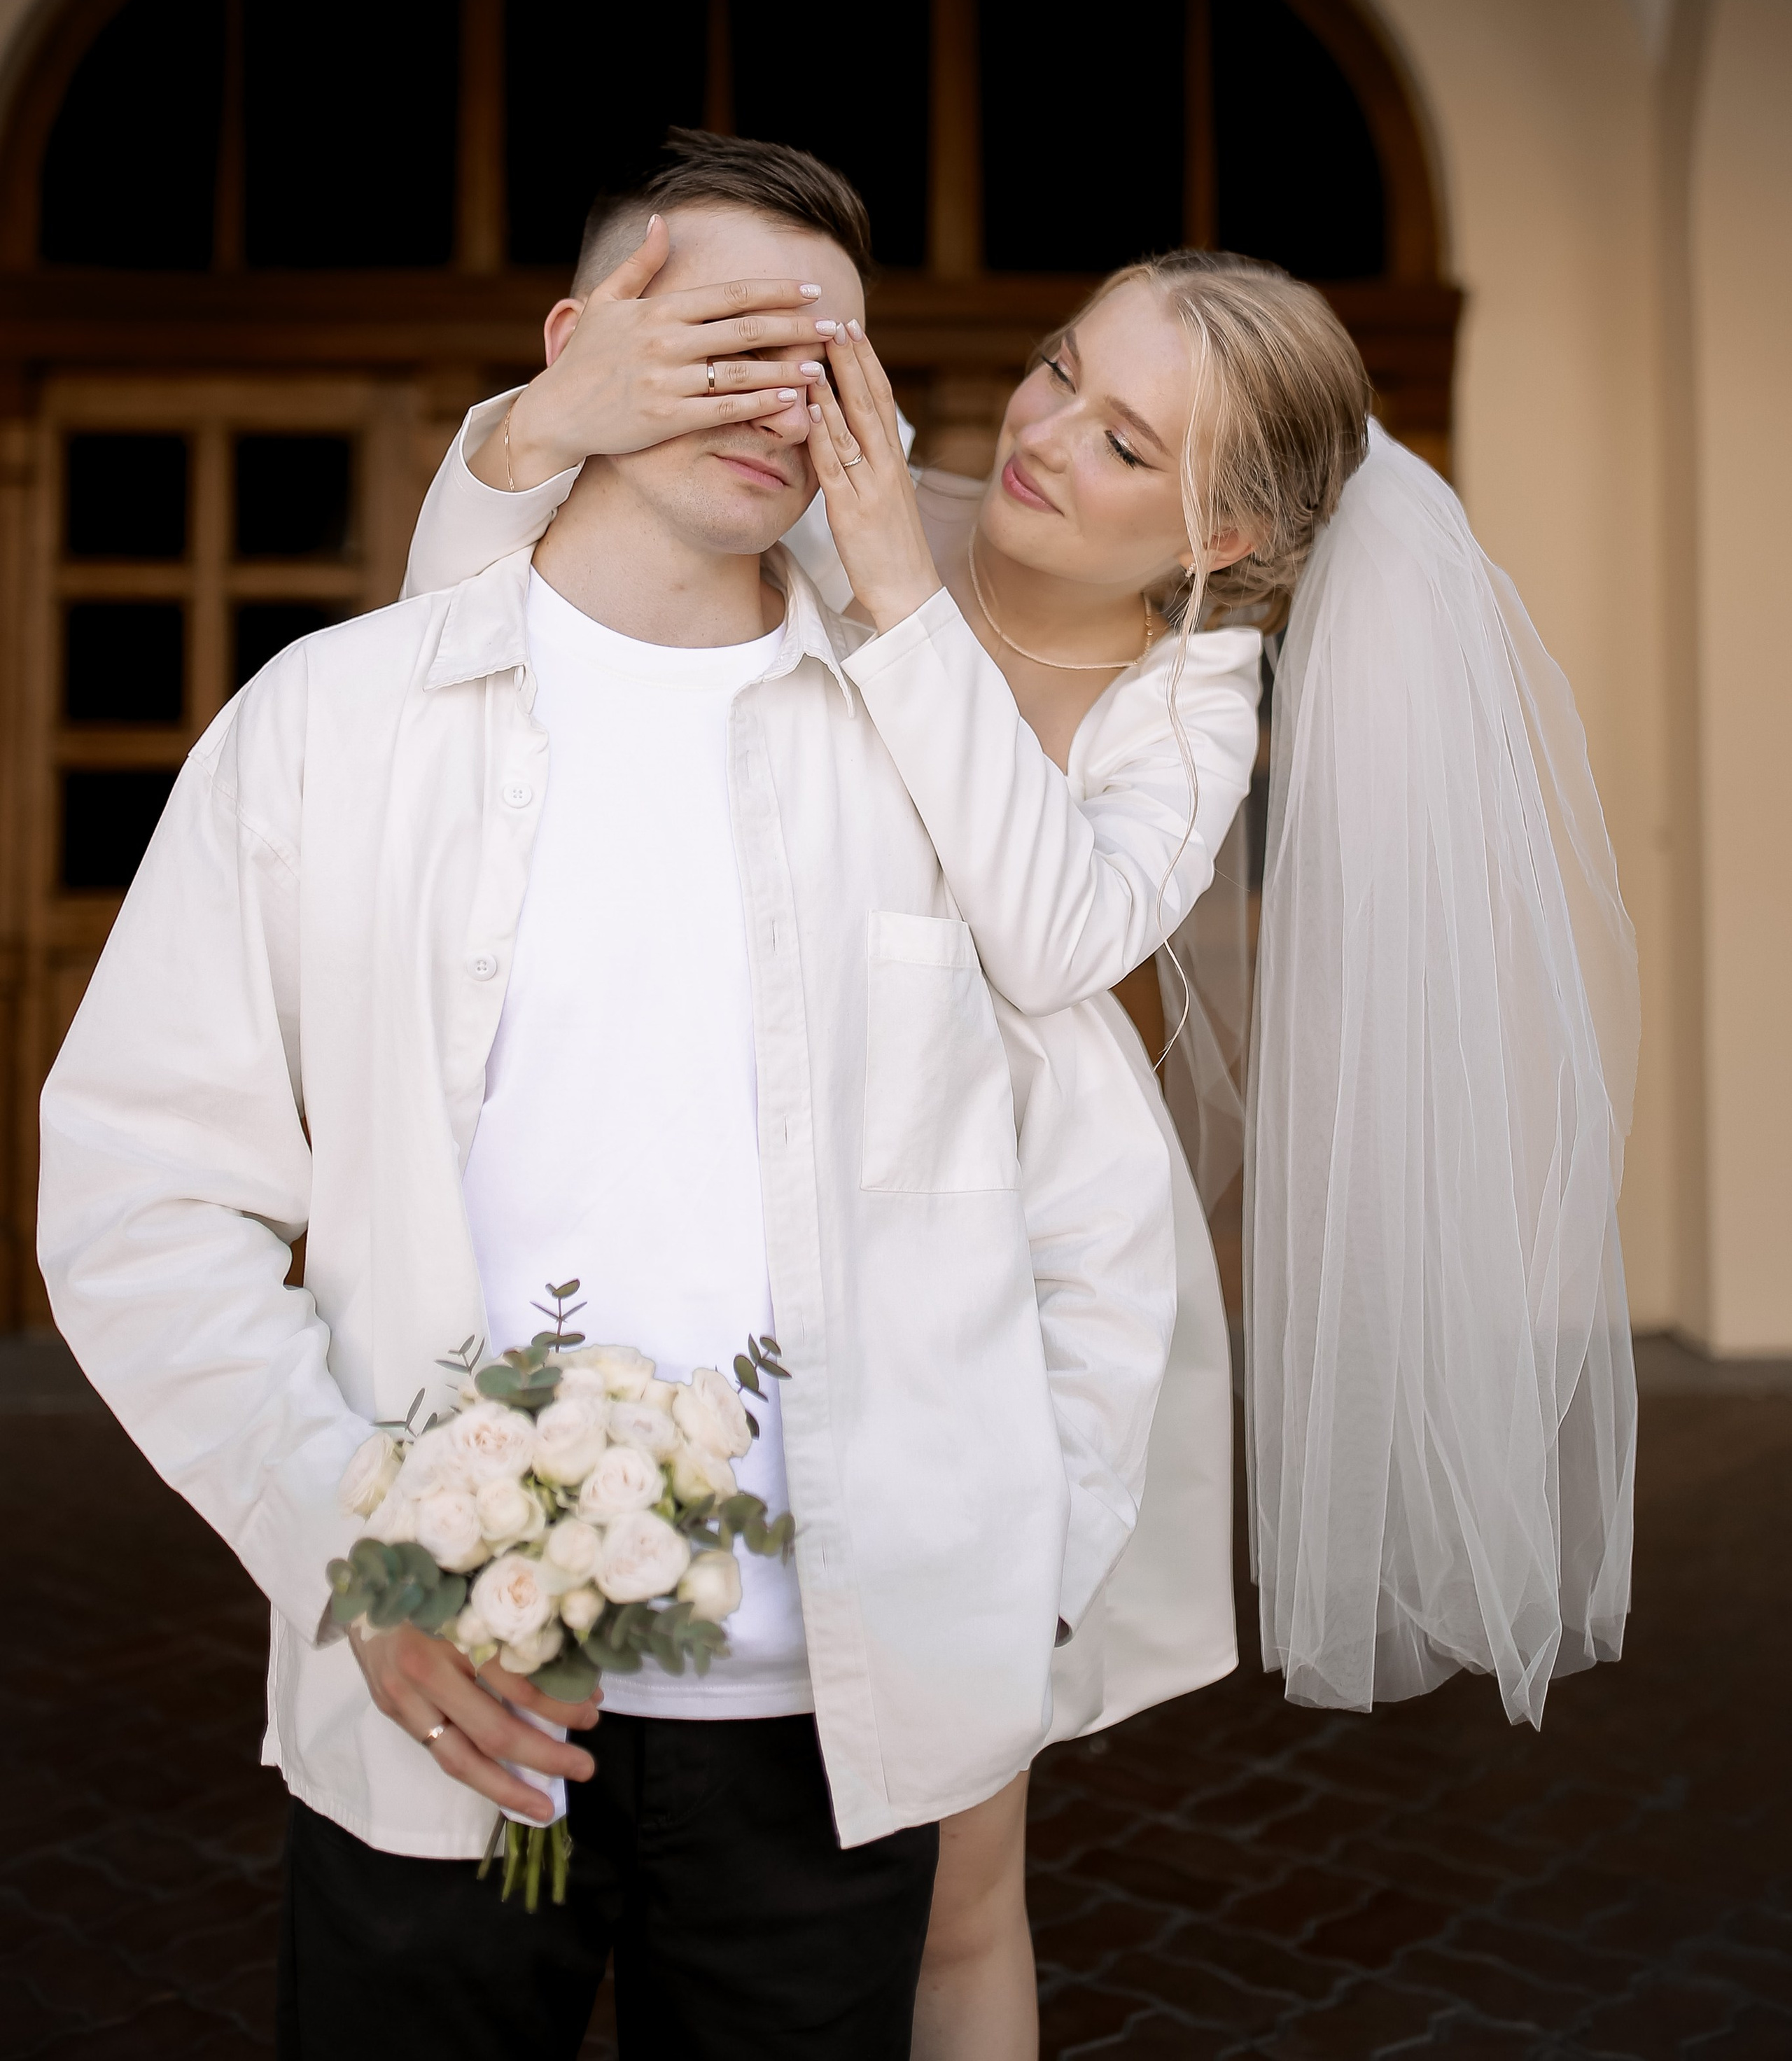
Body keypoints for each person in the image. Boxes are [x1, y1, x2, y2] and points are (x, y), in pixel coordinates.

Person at [406, 141, 1638, 2061]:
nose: (1051, 436)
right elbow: (488, 623)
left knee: (958, 1872)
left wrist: (902, 597)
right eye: (1066, 367)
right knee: (599, 1835)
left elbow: (1055, 934)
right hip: (713, 1216)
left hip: (998, 1285)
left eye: (1130, 446)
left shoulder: (1187, 695)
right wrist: (532, 434)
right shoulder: (840, 511)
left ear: (1221, 534)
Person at [35, 137, 1185, 2061]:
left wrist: (1014, 1578)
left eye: (829, 362)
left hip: (836, 1722)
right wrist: (356, 1553)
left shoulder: (935, 761)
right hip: (440, 1701)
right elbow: (144, 1194)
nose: (775, 396)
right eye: (724, 336)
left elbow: (1091, 1215)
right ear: (577, 347)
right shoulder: (328, 725)